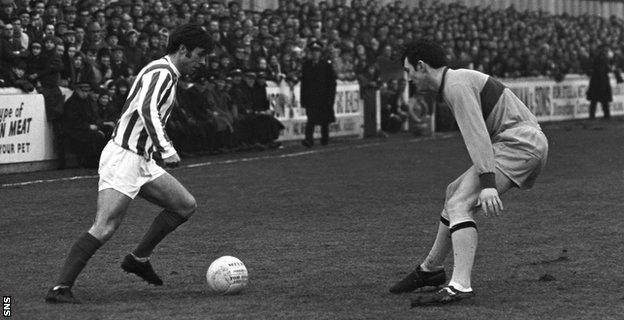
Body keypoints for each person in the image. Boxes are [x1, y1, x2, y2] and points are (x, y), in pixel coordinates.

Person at [45, 23, 214, 304]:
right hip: (124, 158)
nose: (202, 62)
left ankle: (138, 258)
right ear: (183, 50)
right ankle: (60, 287)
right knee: (105, 227)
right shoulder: (162, 72)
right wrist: (166, 148)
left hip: (141, 160)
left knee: (185, 205)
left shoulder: (166, 73)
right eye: (200, 54)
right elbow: (146, 109)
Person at [389, 40, 549, 306]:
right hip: (519, 141)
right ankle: (431, 270)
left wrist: (487, 182)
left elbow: (477, 134)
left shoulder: (456, 86)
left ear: (421, 66)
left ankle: (460, 285)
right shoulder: (456, 81)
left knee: (460, 203)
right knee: (453, 192)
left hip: (520, 145)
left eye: (409, 71)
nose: (410, 79)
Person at [300, 40, 337, 148]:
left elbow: (331, 83)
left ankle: (324, 139)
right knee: (310, 120)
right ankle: (309, 139)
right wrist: (303, 100)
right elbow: (304, 84)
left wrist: (331, 98)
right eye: (313, 51)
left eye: (317, 51)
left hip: (323, 98)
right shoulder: (306, 65)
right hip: (311, 98)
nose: (315, 53)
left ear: (320, 53)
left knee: (324, 121)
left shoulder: (326, 65)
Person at [62, 82, 107, 168]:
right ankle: (92, 162)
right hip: (75, 130)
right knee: (96, 136)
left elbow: (92, 117)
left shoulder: (87, 102)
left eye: (87, 91)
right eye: (84, 91)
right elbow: (72, 122)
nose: (85, 94)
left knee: (106, 131)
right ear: (77, 90)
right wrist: (88, 126)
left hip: (85, 128)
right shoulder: (71, 103)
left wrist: (96, 126)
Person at [586, 45, 623, 120]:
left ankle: (594, 115)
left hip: (597, 80)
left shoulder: (597, 58)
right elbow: (608, 68)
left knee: (596, 100)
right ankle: (605, 115)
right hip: (601, 81)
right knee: (602, 99)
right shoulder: (602, 59)